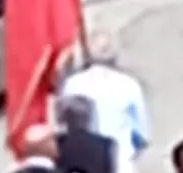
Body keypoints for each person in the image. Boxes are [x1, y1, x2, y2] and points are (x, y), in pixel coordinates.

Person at [61, 28, 150, 162]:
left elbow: (63, 125)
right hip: (120, 158)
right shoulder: (129, 85)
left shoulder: (72, 85)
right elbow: (142, 133)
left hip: (84, 159)